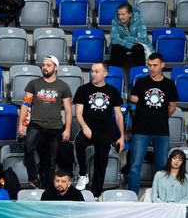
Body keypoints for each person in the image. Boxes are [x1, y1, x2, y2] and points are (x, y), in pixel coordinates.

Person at [126, 53, 179, 196]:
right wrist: (139, 117)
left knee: (162, 167)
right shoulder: (141, 82)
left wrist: (161, 117)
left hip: (161, 130)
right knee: (135, 166)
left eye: (155, 65)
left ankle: (159, 196)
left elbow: (172, 106)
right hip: (141, 130)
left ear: (162, 65)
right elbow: (133, 101)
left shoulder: (169, 84)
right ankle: (131, 196)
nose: (151, 68)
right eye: (149, 65)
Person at [18, 55, 72, 190]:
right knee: (28, 148)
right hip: (36, 125)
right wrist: (21, 125)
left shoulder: (63, 86)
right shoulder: (33, 84)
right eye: (43, 65)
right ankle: (33, 178)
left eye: (48, 65)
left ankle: (47, 190)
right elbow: (25, 105)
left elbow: (68, 110)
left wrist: (67, 129)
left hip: (54, 128)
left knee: (50, 162)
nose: (44, 67)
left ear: (55, 68)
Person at [73, 62, 124, 197]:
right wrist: (84, 127)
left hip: (105, 131)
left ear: (105, 74)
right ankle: (83, 175)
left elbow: (118, 115)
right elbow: (78, 113)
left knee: (101, 163)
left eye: (96, 71)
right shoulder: (83, 90)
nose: (93, 74)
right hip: (88, 128)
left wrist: (121, 136)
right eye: (92, 71)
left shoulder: (113, 91)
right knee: (79, 143)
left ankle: (95, 194)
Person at [109, 3, 152, 68]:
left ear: (130, 14)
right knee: (115, 47)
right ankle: (114, 72)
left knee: (138, 48)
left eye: (123, 14)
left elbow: (142, 39)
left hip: (136, 45)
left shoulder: (139, 21)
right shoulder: (115, 22)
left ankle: (141, 72)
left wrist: (126, 38)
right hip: (123, 45)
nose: (120, 17)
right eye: (119, 14)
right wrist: (130, 45)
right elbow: (114, 39)